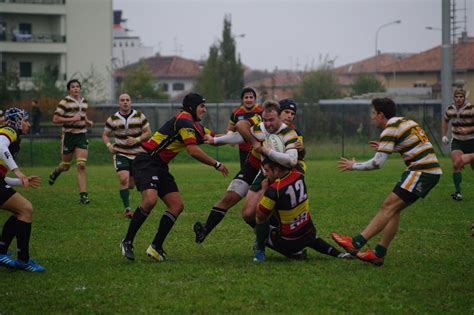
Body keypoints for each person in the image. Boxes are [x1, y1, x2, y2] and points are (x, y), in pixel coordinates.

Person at [332, 98, 441, 266]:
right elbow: (415, 145)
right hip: (427, 170)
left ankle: (356, 243)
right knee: (393, 211)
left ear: (381, 115)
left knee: (388, 206)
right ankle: (378, 253)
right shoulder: (405, 121)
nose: (371, 117)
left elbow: (377, 163)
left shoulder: (390, 129)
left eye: (373, 114)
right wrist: (391, 147)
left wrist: (354, 166)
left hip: (422, 171)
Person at [120, 93, 229, 262]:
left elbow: (214, 138)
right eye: (202, 106)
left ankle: (156, 247)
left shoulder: (195, 126)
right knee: (150, 201)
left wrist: (238, 136)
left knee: (176, 205)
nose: (205, 110)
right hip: (147, 160)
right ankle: (127, 241)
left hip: (160, 166)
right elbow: (193, 151)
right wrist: (216, 164)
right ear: (192, 107)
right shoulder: (184, 121)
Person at [193, 100, 299, 243]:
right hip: (251, 166)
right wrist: (215, 140)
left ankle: (277, 238)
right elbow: (241, 127)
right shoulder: (261, 120)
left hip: (271, 173)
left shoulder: (291, 133)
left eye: (292, 113)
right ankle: (206, 230)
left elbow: (295, 159)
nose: (289, 115)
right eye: (287, 112)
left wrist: (297, 149)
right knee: (230, 198)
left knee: (265, 209)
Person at [253, 158, 352, 262]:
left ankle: (261, 249)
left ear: (277, 170)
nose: (265, 174)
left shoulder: (274, 189)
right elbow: (298, 161)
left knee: (259, 226)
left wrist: (264, 190)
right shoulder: (298, 173)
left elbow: (260, 215)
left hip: (289, 242)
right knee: (311, 238)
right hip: (309, 231)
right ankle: (341, 254)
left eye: (267, 170)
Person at [0, 108, 45, 272]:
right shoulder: (9, 131)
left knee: (20, 211)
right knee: (25, 209)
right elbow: (0, 144)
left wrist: (20, 181)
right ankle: (23, 260)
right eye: (26, 121)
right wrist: (17, 171)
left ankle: (3, 251)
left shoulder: (14, 137)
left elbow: (2, 177)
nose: (28, 124)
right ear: (17, 122)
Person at [102, 93, 152, 218]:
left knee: (131, 184)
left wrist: (138, 139)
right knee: (123, 179)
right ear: (119, 103)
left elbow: (148, 132)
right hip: (121, 153)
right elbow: (105, 135)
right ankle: (127, 209)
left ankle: (144, 206)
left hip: (137, 154)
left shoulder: (140, 116)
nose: (125, 102)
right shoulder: (112, 119)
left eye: (127, 100)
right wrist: (109, 146)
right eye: (122, 100)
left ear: (131, 102)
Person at [48, 79, 93, 204]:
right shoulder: (64, 102)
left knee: (81, 166)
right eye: (73, 87)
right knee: (65, 166)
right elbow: (55, 119)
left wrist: (87, 121)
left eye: (77, 86)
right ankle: (57, 171)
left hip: (81, 136)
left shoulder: (84, 101)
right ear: (69, 90)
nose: (76, 88)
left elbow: (82, 114)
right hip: (68, 136)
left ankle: (83, 196)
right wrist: (72, 118)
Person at [441, 88, 473, 201]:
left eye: (461, 97)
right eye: (456, 97)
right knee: (456, 164)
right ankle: (458, 192)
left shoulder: (471, 109)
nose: (459, 99)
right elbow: (445, 120)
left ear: (464, 98)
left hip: (471, 141)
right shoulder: (449, 109)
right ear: (454, 98)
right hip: (457, 141)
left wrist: (468, 130)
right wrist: (444, 135)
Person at [227, 87, 263, 168]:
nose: (249, 99)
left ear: (255, 99)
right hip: (244, 149)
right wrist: (230, 136)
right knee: (245, 172)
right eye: (246, 97)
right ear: (242, 99)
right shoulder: (236, 113)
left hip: (259, 148)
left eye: (251, 97)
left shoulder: (261, 111)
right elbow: (230, 128)